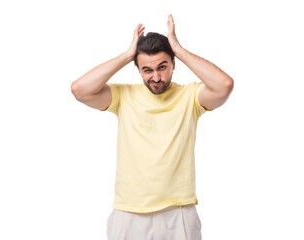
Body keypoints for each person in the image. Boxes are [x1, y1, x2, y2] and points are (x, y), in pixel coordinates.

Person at [71, 14, 234, 240]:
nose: (156, 77)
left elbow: (224, 86)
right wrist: (127, 55)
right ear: (138, 69)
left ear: (173, 64)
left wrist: (179, 49)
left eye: (162, 67)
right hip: (129, 212)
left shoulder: (190, 97)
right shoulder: (122, 96)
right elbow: (80, 90)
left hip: (179, 212)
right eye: (147, 70)